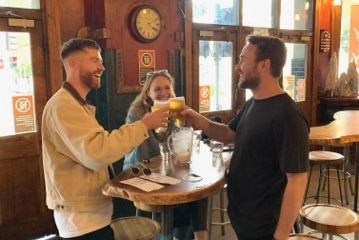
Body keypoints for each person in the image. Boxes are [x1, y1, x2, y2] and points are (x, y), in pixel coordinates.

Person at [181, 35, 309, 240]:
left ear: (264, 65)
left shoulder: (288, 116)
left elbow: (297, 180)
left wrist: (280, 236)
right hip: (245, 217)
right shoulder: (254, 103)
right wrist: (193, 116)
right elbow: (229, 134)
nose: (237, 66)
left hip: (265, 225)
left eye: (243, 60)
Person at [41, 38, 169, 240]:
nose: (102, 67)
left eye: (101, 61)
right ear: (73, 63)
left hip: (91, 213)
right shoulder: (63, 105)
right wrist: (145, 124)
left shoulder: (77, 104)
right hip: (81, 220)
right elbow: (98, 152)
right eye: (94, 60)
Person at [124, 70, 209, 240]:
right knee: (173, 193)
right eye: (157, 89)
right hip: (141, 173)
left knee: (198, 186)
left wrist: (184, 123)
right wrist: (149, 123)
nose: (164, 93)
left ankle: (198, 234)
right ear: (147, 93)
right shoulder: (138, 113)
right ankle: (168, 235)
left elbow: (181, 146)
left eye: (167, 88)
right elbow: (143, 153)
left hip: (169, 171)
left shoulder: (174, 110)